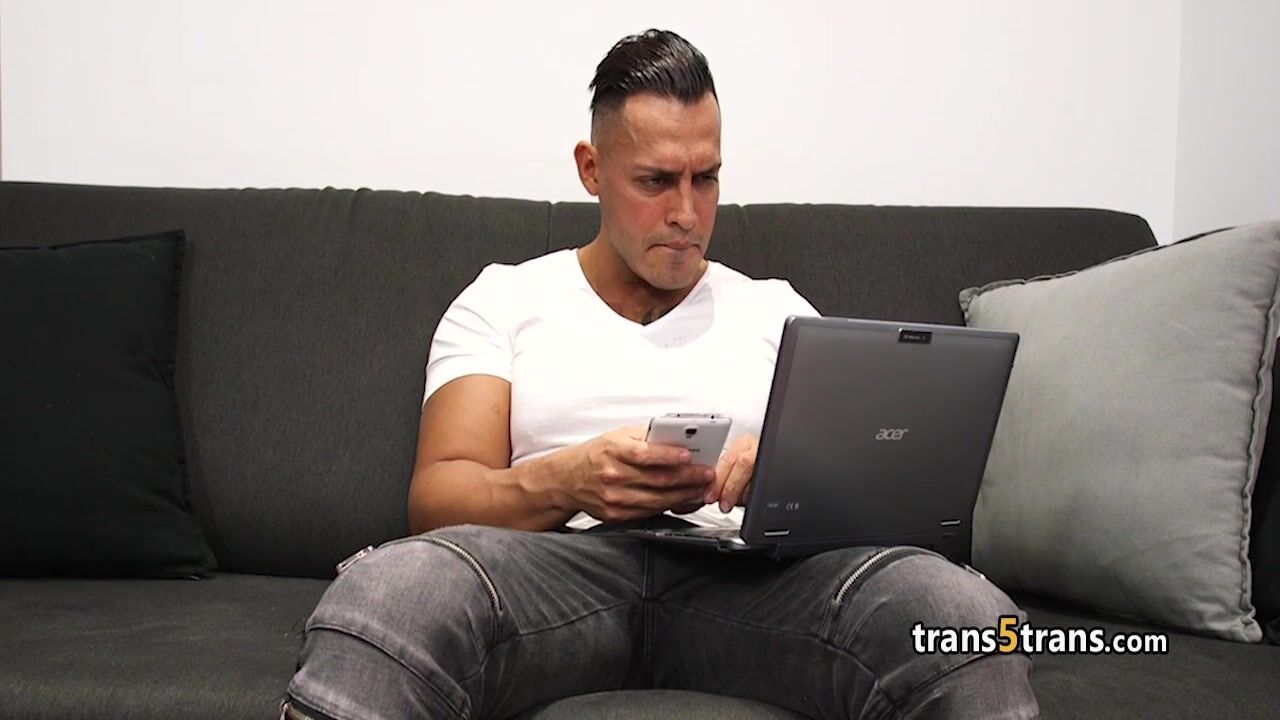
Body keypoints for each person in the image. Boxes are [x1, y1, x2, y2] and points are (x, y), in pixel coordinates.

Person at [283, 29, 1038, 720]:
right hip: (552, 576)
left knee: (962, 617)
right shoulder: (504, 299)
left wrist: (790, 474)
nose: (686, 212)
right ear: (591, 170)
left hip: (749, 585)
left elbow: (878, 494)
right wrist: (568, 481)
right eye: (655, 181)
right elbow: (437, 499)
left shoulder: (777, 311)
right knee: (393, 591)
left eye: (706, 178)